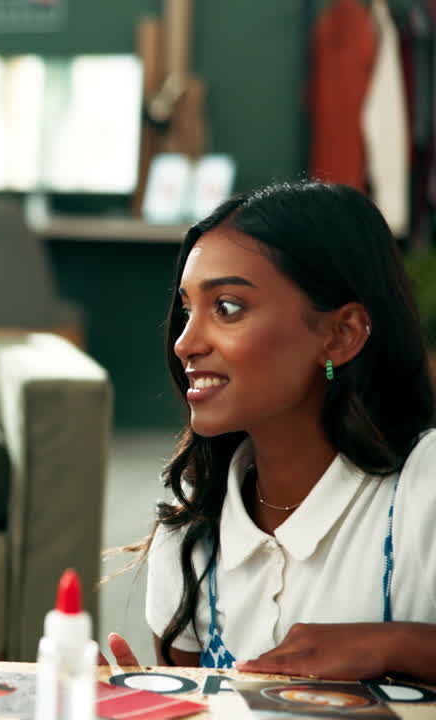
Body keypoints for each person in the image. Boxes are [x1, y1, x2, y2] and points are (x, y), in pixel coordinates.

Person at [105, 181, 436, 681]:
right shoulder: (194, 515)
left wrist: (393, 645)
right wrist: (143, 704)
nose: (185, 343)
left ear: (341, 334)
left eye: (228, 307)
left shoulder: (423, 489)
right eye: (188, 310)